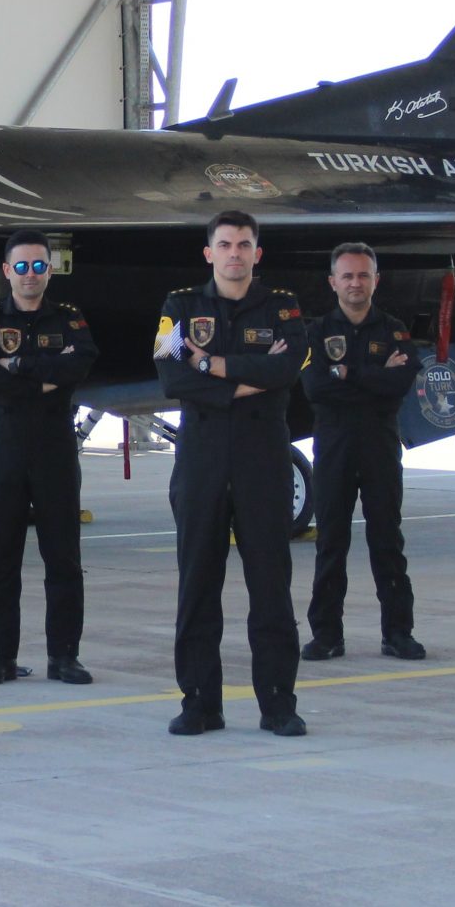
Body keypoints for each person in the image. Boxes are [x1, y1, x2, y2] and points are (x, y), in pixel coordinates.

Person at [153, 211, 308, 737]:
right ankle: (200, 703)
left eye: (244, 245)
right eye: (225, 244)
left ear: (256, 254)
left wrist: (211, 364)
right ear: (209, 253)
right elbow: (170, 376)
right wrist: (246, 378)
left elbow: (286, 369)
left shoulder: (283, 306)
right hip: (201, 458)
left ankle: (278, 704)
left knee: (271, 584)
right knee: (198, 582)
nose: (235, 253)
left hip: (263, 458)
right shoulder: (179, 306)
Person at [0, 232, 98, 685]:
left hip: (55, 448)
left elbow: (79, 366)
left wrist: (19, 366)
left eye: (39, 266)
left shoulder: (69, 317)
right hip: (5, 449)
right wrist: (47, 377)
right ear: (7, 271)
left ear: (50, 270)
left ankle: (64, 656)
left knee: (63, 557)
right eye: (21, 267)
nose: (30, 275)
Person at [301, 242, 427, 661]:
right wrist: (373, 376)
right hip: (334, 448)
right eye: (348, 276)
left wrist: (345, 373)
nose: (355, 283)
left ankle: (398, 633)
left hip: (379, 448)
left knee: (387, 541)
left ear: (376, 280)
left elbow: (399, 385)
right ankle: (326, 635)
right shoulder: (316, 331)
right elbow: (315, 388)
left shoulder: (394, 330)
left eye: (363, 275)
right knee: (331, 543)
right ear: (333, 282)